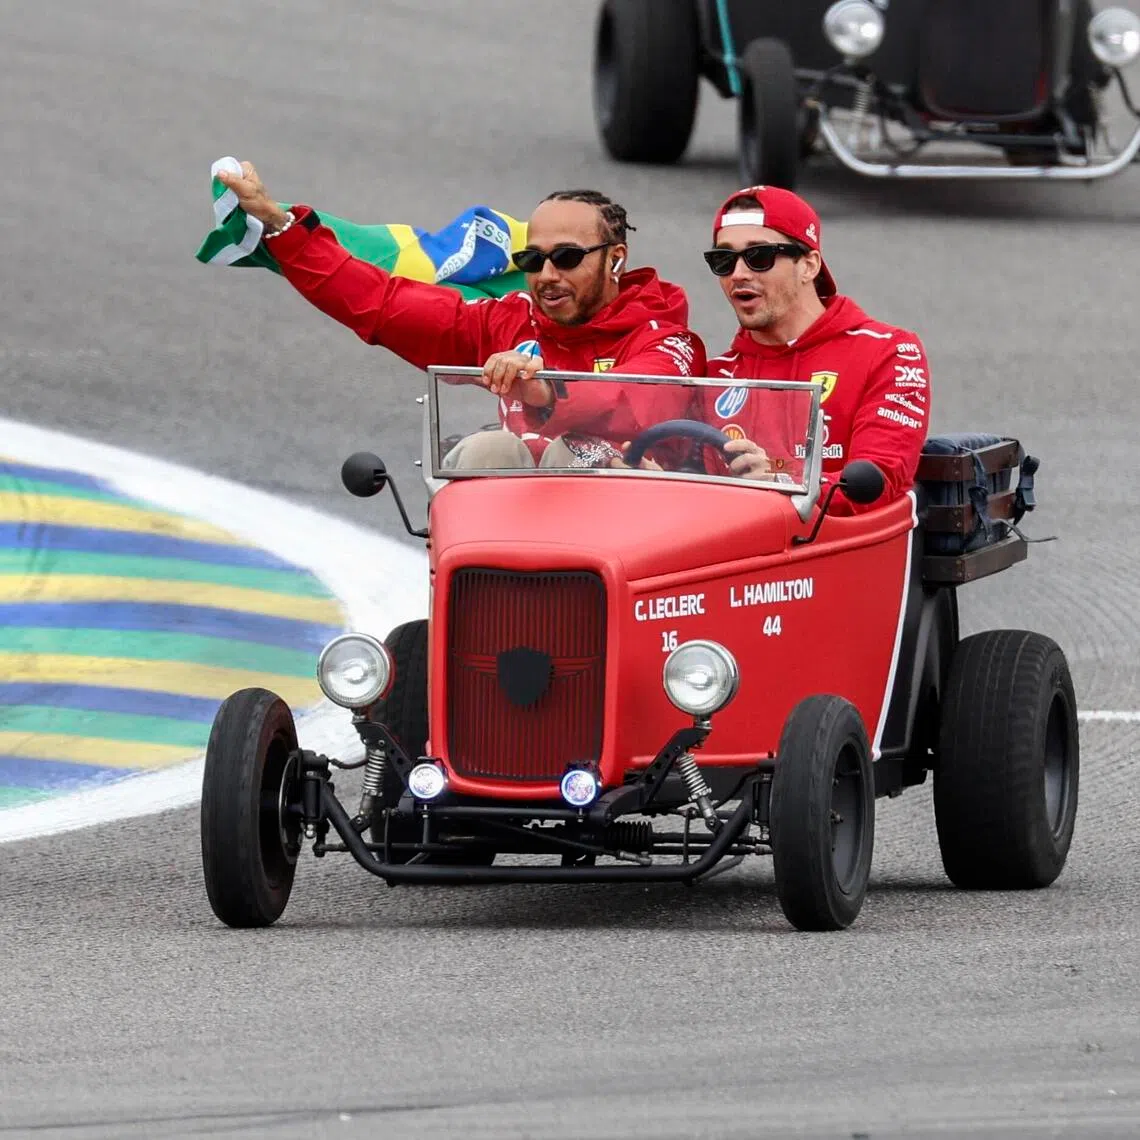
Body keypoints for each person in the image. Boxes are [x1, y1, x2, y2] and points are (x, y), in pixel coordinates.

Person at [214, 162, 703, 468]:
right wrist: (282, 229)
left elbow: (637, 397)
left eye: (567, 258)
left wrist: (547, 390)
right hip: (519, 543)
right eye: (532, 261)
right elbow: (381, 304)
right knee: (483, 454)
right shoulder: (507, 322)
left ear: (615, 258)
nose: (546, 275)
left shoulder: (667, 341)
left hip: (640, 556)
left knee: (573, 456)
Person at [693, 185, 931, 513]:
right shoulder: (714, 375)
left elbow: (878, 480)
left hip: (834, 554)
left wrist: (780, 476)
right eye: (724, 259)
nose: (739, 274)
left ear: (809, 265)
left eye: (758, 256)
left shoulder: (890, 352)